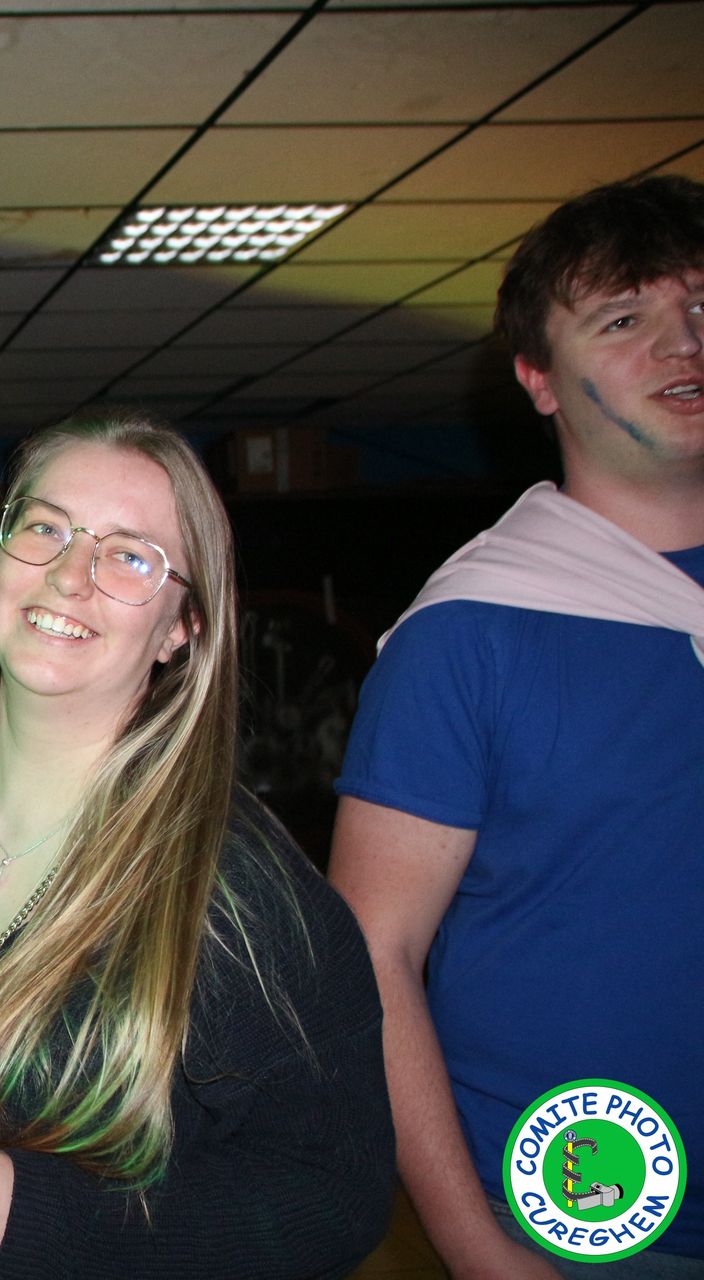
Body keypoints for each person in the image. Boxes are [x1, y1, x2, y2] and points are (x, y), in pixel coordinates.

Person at [0, 414, 395, 1277]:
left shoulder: (242, 887)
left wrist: (44, 1214)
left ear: (182, 626)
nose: (67, 575)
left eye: (129, 556)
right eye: (45, 529)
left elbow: (336, 1196)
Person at [330, 175, 704, 1275]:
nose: (683, 342)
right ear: (538, 378)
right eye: (623, 319)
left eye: (700, 307)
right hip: (599, 1213)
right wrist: (476, 1246)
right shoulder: (469, 633)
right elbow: (373, 953)